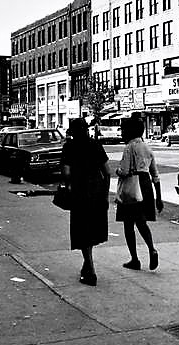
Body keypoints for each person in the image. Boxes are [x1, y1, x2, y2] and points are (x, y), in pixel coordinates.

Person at [61, 117, 111, 286]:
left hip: (79, 192)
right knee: (92, 230)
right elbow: (108, 172)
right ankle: (87, 265)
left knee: (83, 231)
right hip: (96, 192)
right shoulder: (95, 145)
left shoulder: (69, 147)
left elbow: (66, 172)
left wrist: (68, 184)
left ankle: (90, 269)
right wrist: (105, 195)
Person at [115, 116, 164, 272]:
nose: (121, 133)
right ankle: (151, 249)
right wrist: (159, 198)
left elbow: (123, 171)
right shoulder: (147, 148)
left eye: (123, 130)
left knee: (128, 225)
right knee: (142, 222)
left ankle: (135, 259)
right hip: (146, 185)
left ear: (129, 131)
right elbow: (155, 175)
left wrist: (117, 171)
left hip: (132, 187)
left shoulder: (129, 147)